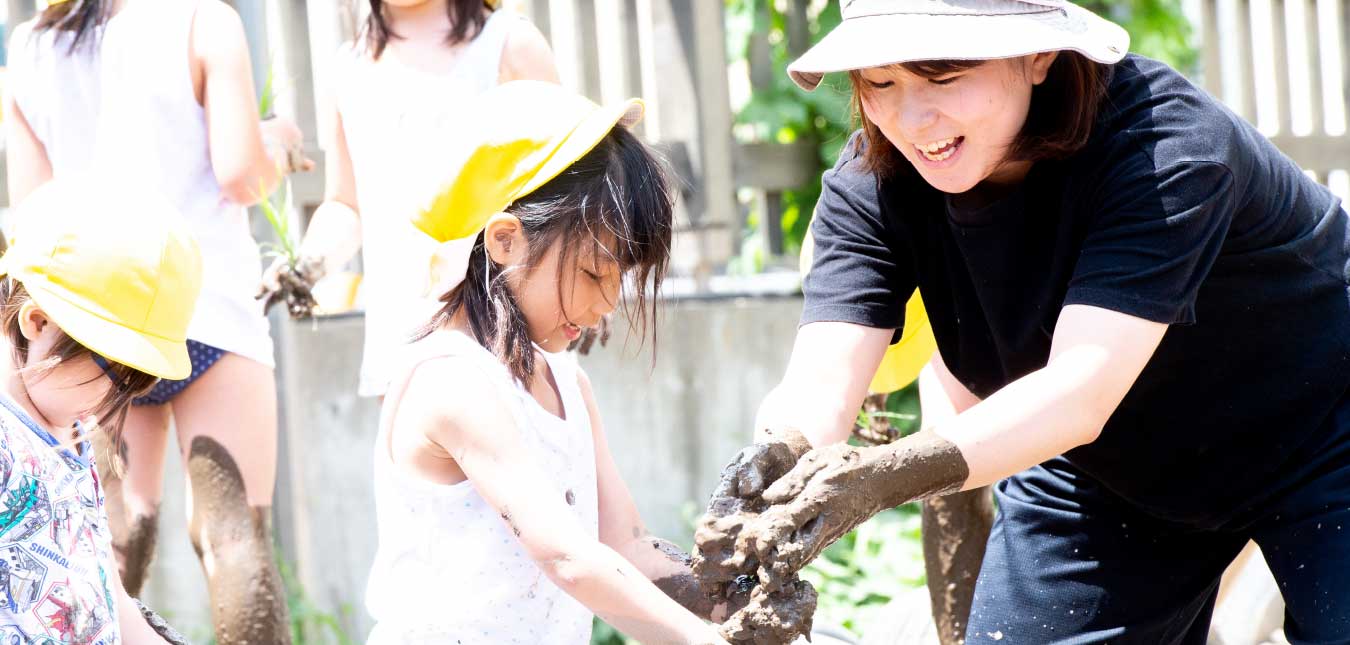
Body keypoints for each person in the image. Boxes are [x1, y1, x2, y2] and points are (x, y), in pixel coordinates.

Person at [696, 0, 1350, 643]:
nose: (913, 116)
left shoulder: (1162, 145)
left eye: (943, 77)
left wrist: (878, 478)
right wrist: (772, 462)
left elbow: (1078, 392)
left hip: (1323, 434)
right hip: (1109, 474)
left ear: (1038, 54)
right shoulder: (874, 183)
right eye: (881, 82)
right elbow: (820, 386)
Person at [365, 81, 757, 644]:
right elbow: (569, 558)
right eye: (594, 274)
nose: (604, 306)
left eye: (619, 280)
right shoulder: (452, 381)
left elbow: (623, 549)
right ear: (505, 240)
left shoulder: (568, 385)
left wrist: (728, 602)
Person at [4, 0, 311, 641]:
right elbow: (239, 174)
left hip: (86, 324)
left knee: (110, 527)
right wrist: (276, 143)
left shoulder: (32, 48)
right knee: (234, 535)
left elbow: (38, 213)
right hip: (203, 308)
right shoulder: (202, 20)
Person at [261, 0, 559, 398]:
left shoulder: (508, 44)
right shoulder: (350, 67)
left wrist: (576, 284)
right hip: (403, 345)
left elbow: (567, 188)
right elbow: (346, 205)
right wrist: (307, 265)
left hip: (505, 339)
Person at [0, 180, 201, 644]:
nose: (119, 401)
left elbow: (106, 596)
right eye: (116, 372)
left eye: (140, 383)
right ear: (38, 321)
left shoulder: (67, 438)